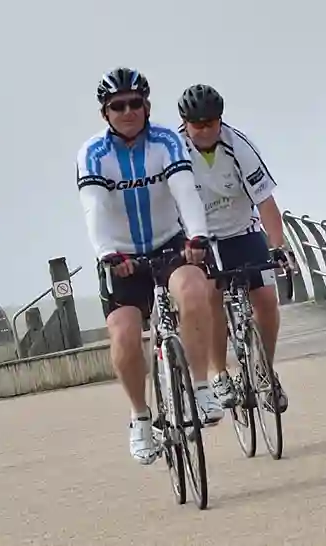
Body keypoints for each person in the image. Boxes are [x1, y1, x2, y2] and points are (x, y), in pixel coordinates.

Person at [76, 67, 224, 466]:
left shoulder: (166, 142)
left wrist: (197, 236)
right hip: (120, 256)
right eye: (117, 106)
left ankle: (200, 387)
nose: (127, 112)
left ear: (147, 106)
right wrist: (108, 253)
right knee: (125, 337)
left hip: (168, 244)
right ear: (105, 113)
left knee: (195, 291)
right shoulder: (93, 153)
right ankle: (140, 418)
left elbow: (185, 191)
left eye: (134, 104)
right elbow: (94, 208)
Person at [177, 83, 291, 413]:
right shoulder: (174, 152)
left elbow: (266, 202)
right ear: (185, 123)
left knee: (266, 300)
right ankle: (220, 374)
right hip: (200, 239)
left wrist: (278, 247)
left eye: (211, 122)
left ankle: (264, 370)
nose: (205, 130)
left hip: (242, 231)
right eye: (197, 124)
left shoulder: (238, 146)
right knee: (210, 296)